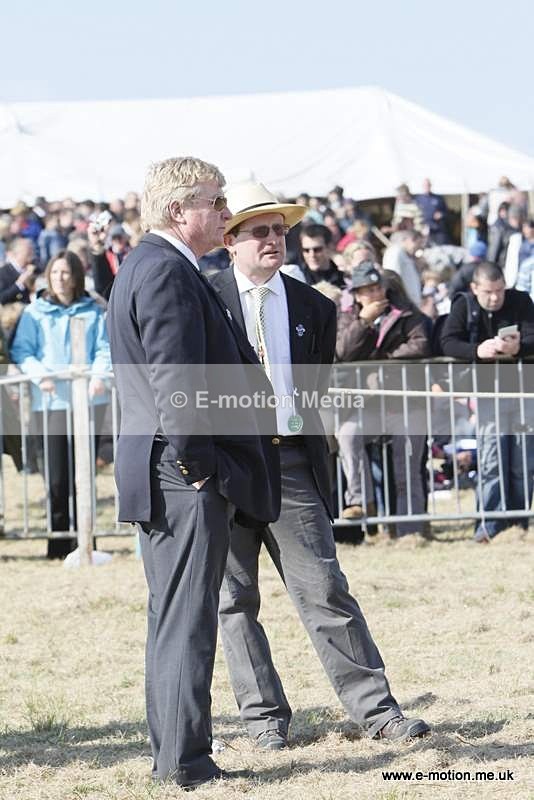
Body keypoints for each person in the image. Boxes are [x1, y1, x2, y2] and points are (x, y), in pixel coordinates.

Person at [213, 180, 430, 753]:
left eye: (279, 231)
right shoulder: (204, 298)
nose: (273, 240)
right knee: (233, 601)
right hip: (225, 469)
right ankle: (262, 721)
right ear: (229, 241)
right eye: (260, 231)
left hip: (289, 463)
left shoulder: (314, 306)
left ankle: (378, 712)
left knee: (325, 590)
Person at [106, 157, 280, 789]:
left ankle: (175, 755)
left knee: (175, 616)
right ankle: (185, 760)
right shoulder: (163, 271)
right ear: (179, 209)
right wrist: (199, 467)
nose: (227, 210)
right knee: (187, 619)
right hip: (180, 473)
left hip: (168, 468)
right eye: (217, 199)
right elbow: (175, 379)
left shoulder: (156, 267)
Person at [10, 250, 111, 558]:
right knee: (56, 475)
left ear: (77, 276)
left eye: (65, 273)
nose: (60, 278)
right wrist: (41, 377)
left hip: (90, 402)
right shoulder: (35, 312)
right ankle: (57, 544)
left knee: (84, 475)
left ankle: (87, 540)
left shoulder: (93, 310)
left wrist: (98, 377)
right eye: (55, 273)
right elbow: (23, 351)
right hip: (51, 404)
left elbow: (104, 347)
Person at [440, 262, 534, 542]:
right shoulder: (463, 306)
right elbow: (446, 342)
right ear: (474, 289)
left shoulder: (520, 300)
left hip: (523, 392)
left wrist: (519, 348)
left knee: (522, 461)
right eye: (488, 292)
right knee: (492, 460)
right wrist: (477, 350)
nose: (494, 297)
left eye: (499, 290)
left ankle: (518, 522)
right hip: (487, 395)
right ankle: (489, 523)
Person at [336, 262, 430, 532]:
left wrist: (381, 361)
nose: (375, 294)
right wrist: (363, 322)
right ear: (356, 294)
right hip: (369, 404)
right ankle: (360, 501)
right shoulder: (347, 316)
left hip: (407, 402)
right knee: (348, 434)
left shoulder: (405, 312)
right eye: (368, 290)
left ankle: (409, 529)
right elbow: (342, 351)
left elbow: (420, 344)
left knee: (406, 468)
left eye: (378, 287)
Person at [382, 230, 424, 306]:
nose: (419, 248)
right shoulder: (395, 252)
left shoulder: (406, 255)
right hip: (404, 304)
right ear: (411, 240)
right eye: (418, 244)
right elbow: (392, 278)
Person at [299, 223, 344, 288]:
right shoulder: (297, 278)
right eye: (306, 250)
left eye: (317, 249)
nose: (312, 255)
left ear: (329, 247)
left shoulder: (343, 278)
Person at [0, 237, 37, 307]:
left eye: (31, 250)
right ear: (16, 253)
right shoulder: (3, 273)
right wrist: (19, 284)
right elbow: (2, 298)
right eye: (28, 251)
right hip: (13, 314)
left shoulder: (36, 268)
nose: (32, 253)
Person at [415, 178, 449, 244]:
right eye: (425, 185)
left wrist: (441, 214)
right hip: (424, 229)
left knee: (440, 248)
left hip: (438, 229)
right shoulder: (418, 199)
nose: (426, 187)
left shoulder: (438, 198)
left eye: (428, 185)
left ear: (430, 186)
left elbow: (446, 212)